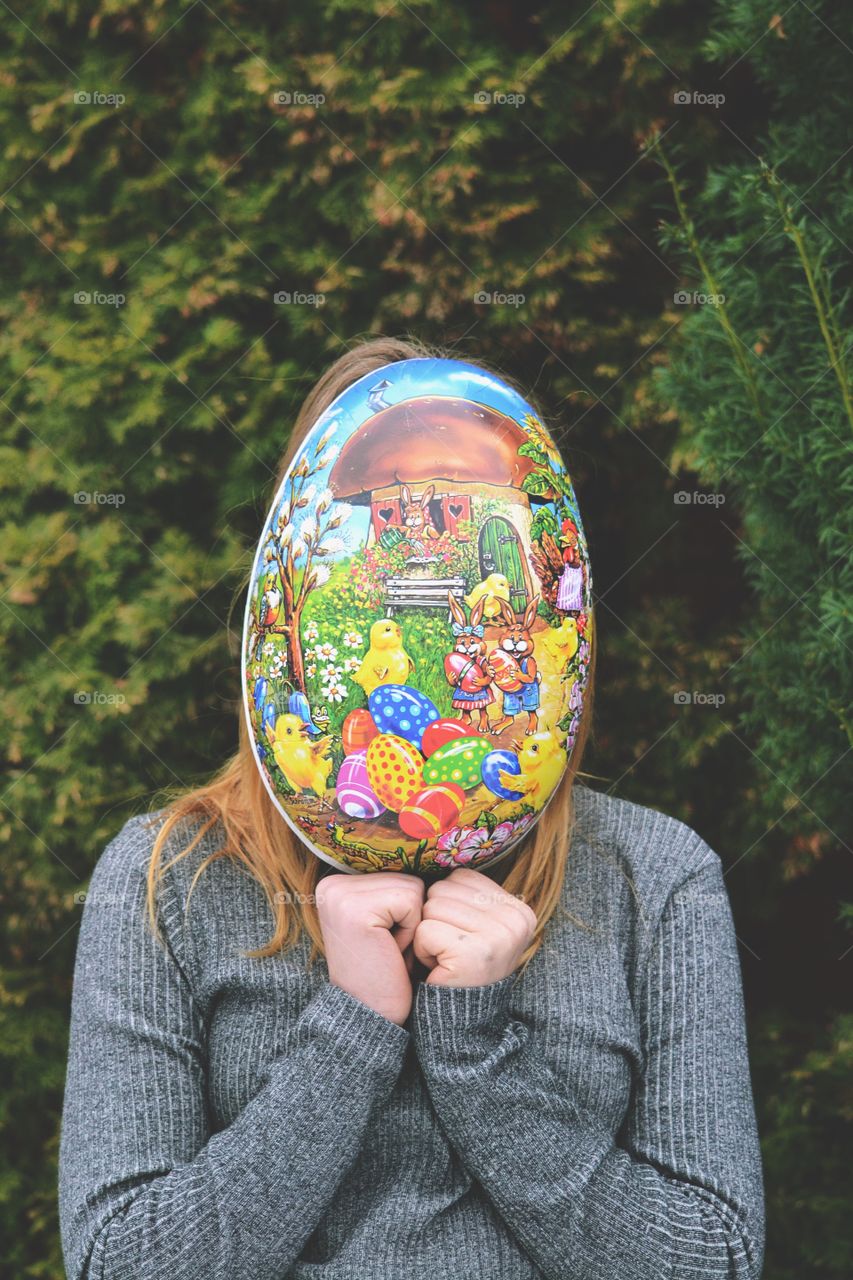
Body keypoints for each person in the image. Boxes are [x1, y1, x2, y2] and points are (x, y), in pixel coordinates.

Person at [58, 337, 765, 1279]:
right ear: (286, 569)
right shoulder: (169, 879)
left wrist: (477, 1050)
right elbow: (120, 1263)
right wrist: (350, 1031)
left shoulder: (658, 879)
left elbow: (712, 1260)